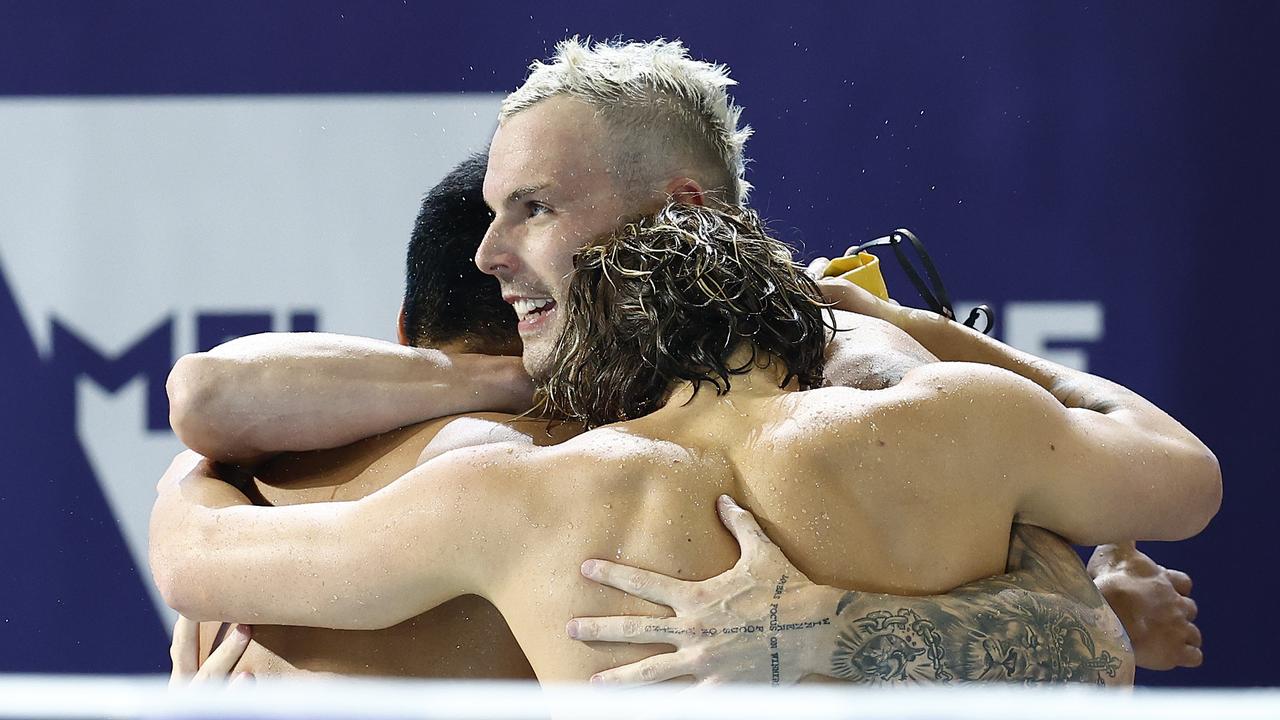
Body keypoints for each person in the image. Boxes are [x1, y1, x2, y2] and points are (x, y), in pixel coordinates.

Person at [158, 39, 1205, 681]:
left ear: (672, 210)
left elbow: (192, 539)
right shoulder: (949, 411)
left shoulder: (514, 491)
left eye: (533, 208)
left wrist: (209, 486)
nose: (494, 255)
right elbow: (1130, 562)